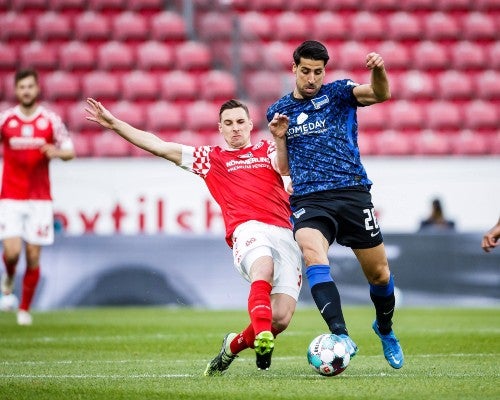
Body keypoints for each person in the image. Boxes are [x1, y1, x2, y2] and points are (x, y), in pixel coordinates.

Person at [85, 98, 303, 375]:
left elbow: (285, 167)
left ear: (250, 124)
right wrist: (115, 124)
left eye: (239, 122)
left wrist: (285, 155)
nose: (235, 128)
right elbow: (160, 146)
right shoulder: (211, 159)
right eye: (228, 123)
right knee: (264, 267)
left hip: (285, 233)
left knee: (281, 318)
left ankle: (232, 347)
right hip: (248, 229)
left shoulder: (269, 148)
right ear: (220, 129)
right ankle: (263, 339)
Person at [267, 40, 404, 369]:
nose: (312, 78)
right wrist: (279, 138)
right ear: (294, 69)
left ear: (324, 72)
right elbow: (284, 168)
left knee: (380, 275)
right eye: (305, 72)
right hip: (309, 199)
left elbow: (380, 94)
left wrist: (380, 71)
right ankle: (340, 335)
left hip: (352, 192)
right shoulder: (280, 111)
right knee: (313, 254)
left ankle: (384, 329)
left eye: (318, 72)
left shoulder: (341, 93)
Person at [0, 68, 76, 325]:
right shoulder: (6, 121)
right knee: (11, 252)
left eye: (30, 86)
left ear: (37, 89)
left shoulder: (50, 121)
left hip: (40, 198)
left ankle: (23, 309)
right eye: (22, 87)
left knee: (33, 255)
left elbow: (70, 152)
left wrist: (55, 152)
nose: (26, 91)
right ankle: (9, 279)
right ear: (16, 90)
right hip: (10, 195)